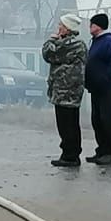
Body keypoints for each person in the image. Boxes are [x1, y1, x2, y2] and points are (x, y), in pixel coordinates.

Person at [43, 13, 88, 168]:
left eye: (61, 25)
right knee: (66, 124)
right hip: (63, 90)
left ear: (68, 28)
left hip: (68, 91)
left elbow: (48, 54)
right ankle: (69, 153)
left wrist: (51, 39)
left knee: (68, 124)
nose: (58, 28)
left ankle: (71, 156)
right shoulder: (67, 43)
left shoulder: (74, 44)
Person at [84, 13, 111, 166]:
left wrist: (105, 80)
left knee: (108, 120)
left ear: (98, 26)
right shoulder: (95, 41)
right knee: (97, 120)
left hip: (108, 89)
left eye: (92, 24)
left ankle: (110, 153)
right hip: (96, 88)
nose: (90, 27)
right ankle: (101, 150)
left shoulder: (108, 41)